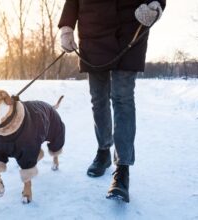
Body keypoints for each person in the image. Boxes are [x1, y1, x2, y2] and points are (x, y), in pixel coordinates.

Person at [58, 0, 166, 202]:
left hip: (130, 28)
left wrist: (156, 5)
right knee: (98, 98)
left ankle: (122, 169)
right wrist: (67, 28)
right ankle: (103, 151)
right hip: (93, 30)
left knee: (123, 98)